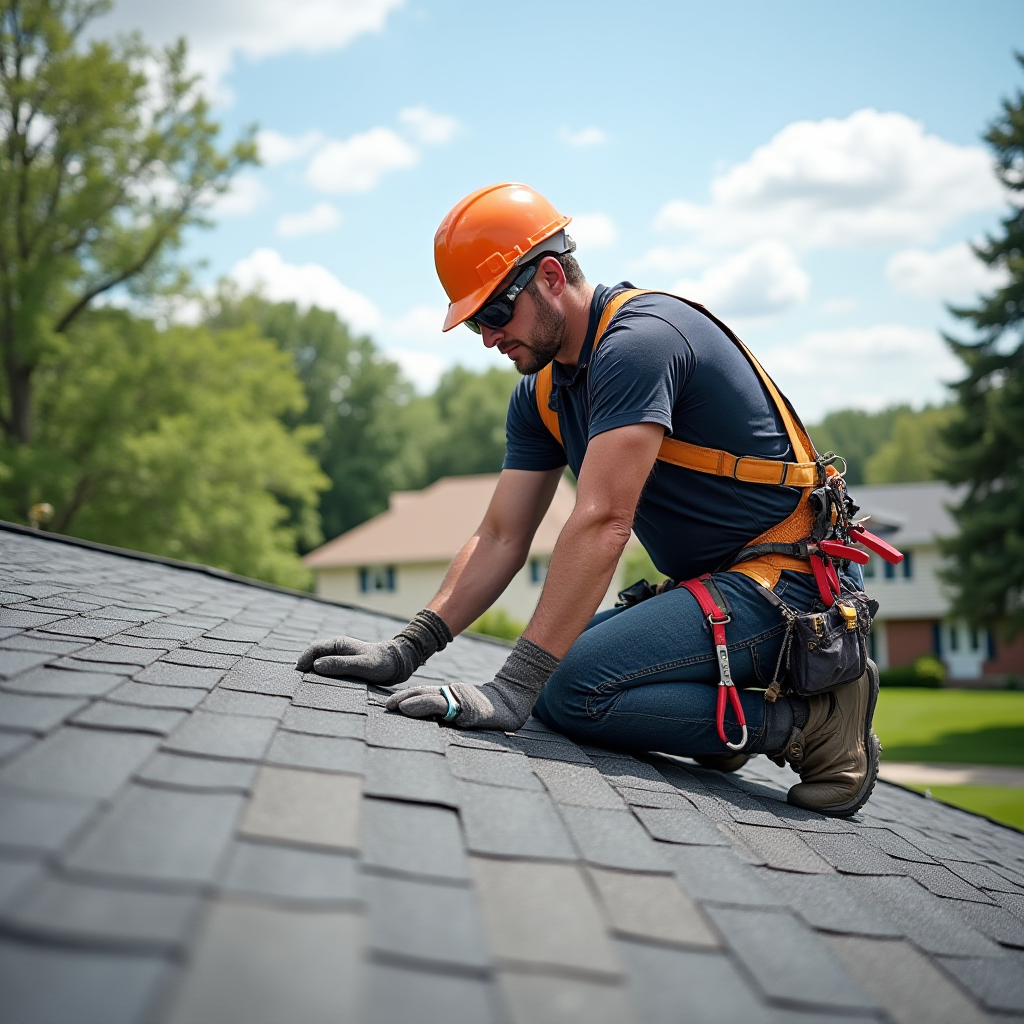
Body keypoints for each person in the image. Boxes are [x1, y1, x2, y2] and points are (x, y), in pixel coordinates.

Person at [296, 183, 880, 817]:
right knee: (547, 686)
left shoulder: (639, 342)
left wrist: (512, 689)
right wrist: (407, 648)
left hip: (789, 584)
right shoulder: (542, 394)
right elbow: (500, 536)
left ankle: (811, 721)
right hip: (723, 586)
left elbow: (604, 521)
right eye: (475, 326)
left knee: (569, 688)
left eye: (495, 314)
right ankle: (721, 713)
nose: (489, 340)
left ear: (549, 276)